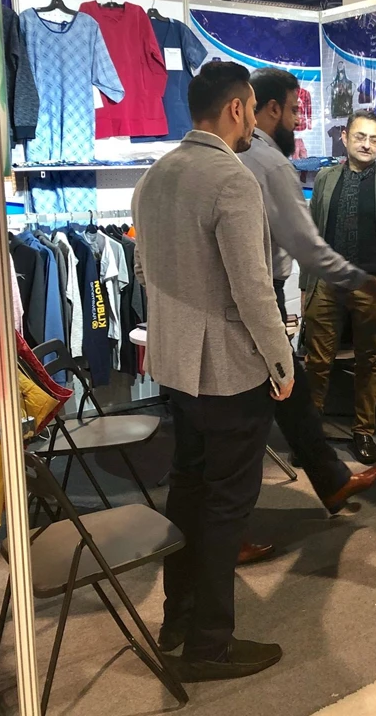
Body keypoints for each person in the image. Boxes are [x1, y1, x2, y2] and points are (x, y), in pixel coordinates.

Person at [132, 62, 294, 683]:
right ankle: (209, 645)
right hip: (228, 370)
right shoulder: (232, 179)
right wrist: (281, 360)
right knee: (226, 505)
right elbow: (253, 289)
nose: (253, 120)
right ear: (236, 108)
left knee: (188, 491)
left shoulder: (155, 175)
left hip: (175, 364)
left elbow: (145, 272)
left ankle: (178, 618)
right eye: (251, 108)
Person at [240, 67, 376, 511]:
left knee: (300, 381)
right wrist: (347, 280)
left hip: (272, 291)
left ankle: (341, 458)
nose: (297, 121)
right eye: (292, 111)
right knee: (293, 378)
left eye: (374, 138)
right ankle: (321, 466)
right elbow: (308, 240)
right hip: (273, 292)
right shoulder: (278, 165)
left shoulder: (188, 165)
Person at [301, 110, 376, 465]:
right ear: (344, 137)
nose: (366, 144)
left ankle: (363, 431)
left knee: (368, 361)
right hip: (327, 282)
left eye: (374, 139)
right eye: (360, 136)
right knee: (317, 362)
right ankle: (310, 437)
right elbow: (312, 234)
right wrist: (305, 285)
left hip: (373, 284)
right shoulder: (325, 179)